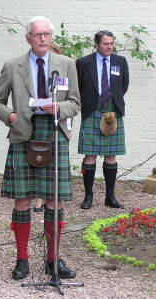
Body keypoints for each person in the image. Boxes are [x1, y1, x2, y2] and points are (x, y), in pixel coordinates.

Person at [0, 16, 80, 280]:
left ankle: (53, 260)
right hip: (23, 133)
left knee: (54, 198)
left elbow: (75, 103)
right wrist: (11, 116)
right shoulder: (12, 66)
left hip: (54, 132)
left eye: (47, 34)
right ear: (28, 38)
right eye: (37, 35)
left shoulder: (66, 64)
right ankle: (22, 260)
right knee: (23, 199)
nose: (43, 39)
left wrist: (60, 108)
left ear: (51, 38)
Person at [76, 30, 129, 209]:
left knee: (111, 156)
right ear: (96, 44)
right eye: (106, 44)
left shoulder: (120, 62)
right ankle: (88, 197)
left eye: (111, 43)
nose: (109, 47)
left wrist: (113, 103)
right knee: (89, 155)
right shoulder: (84, 63)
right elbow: (79, 86)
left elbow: (124, 85)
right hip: (92, 111)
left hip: (112, 113)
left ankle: (110, 197)